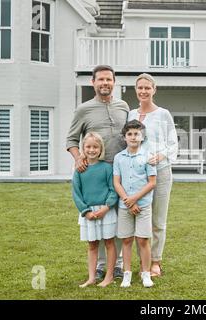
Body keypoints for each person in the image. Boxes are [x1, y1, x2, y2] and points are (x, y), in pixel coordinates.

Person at [66, 65, 129, 280]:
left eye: (109, 79)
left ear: (114, 82)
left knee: (118, 217)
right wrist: (78, 159)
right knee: (98, 215)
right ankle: (101, 266)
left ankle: (118, 264)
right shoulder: (83, 109)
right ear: (93, 82)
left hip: (121, 173)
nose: (105, 83)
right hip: (97, 172)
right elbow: (72, 140)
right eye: (100, 79)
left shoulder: (123, 106)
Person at [128, 73, 178, 277]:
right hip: (137, 174)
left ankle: (155, 262)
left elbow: (173, 142)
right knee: (139, 218)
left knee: (158, 220)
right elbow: (128, 141)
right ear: (136, 90)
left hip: (161, 172)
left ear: (154, 90)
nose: (143, 91)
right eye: (140, 88)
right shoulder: (130, 114)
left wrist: (161, 155)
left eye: (147, 88)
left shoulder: (163, 114)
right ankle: (141, 262)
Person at [113, 120, 157, 288]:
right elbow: (117, 182)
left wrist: (135, 199)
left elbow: (152, 182)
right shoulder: (119, 158)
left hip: (143, 205)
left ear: (142, 136)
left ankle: (146, 274)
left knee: (143, 240)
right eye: (129, 134)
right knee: (126, 240)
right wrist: (128, 201)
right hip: (125, 206)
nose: (133, 137)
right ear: (124, 137)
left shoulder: (148, 157)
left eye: (136, 134)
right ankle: (127, 274)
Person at [72, 132, 118, 288]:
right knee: (92, 245)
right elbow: (76, 193)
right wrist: (86, 211)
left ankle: (109, 276)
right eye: (88, 147)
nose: (92, 150)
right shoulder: (79, 169)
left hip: (106, 210)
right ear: (83, 148)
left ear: (100, 149)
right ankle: (91, 277)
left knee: (109, 243)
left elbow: (113, 190)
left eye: (95, 147)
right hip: (88, 213)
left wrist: (106, 207)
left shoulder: (106, 168)